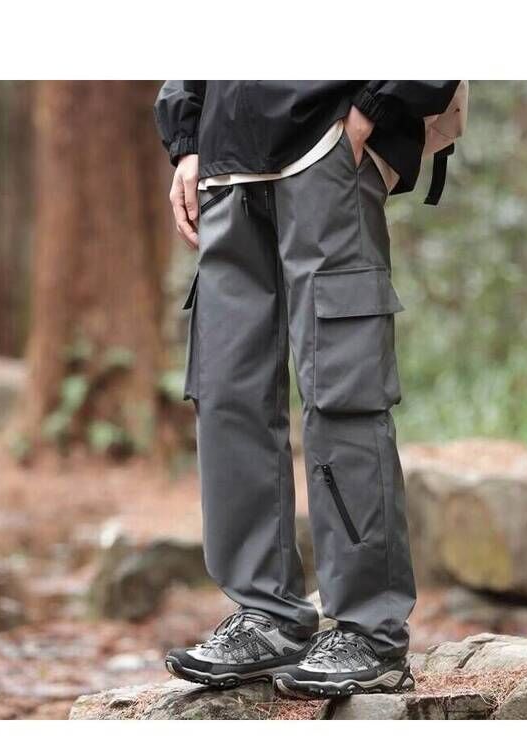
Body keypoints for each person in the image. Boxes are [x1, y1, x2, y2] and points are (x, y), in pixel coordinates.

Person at [154, 80, 462, 698]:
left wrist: (376, 106)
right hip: (225, 160)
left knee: (344, 389)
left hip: (326, 139)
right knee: (226, 394)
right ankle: (265, 616)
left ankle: (369, 630)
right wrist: (186, 137)